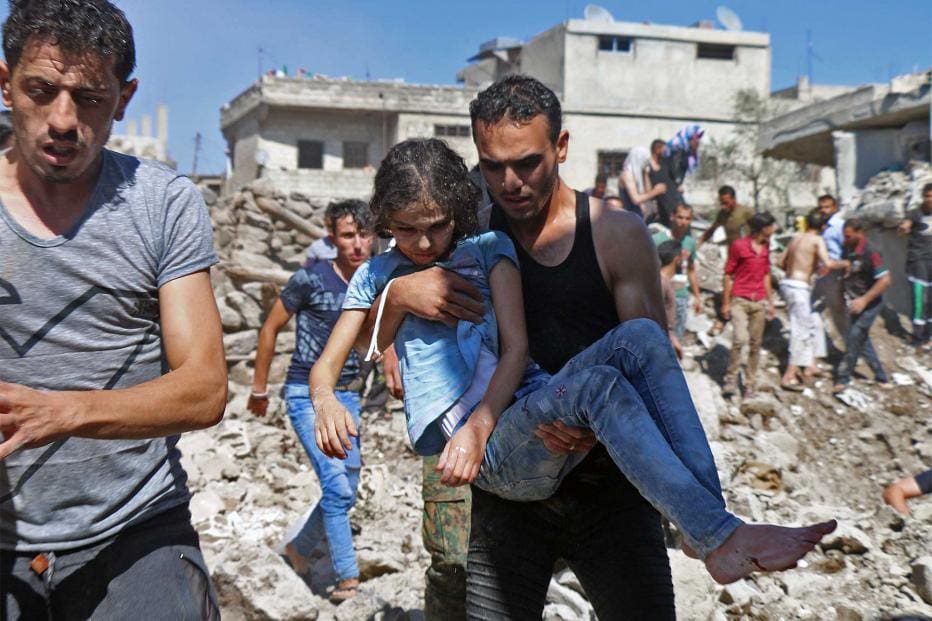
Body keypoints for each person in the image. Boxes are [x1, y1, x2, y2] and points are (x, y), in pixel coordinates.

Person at [327, 75, 830, 617]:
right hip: (509, 490)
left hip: (609, 489)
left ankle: (708, 525)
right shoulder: (460, 231)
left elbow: (648, 370)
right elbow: (363, 345)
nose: (510, 182)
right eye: (493, 166)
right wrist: (400, 297)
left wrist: (586, 420)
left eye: (527, 163)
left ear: (561, 147)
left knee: (636, 343)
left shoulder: (614, 233)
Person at [0, 1, 227, 617]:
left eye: (90, 98)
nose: (64, 120)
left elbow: (204, 389)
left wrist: (63, 412)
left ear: (124, 98)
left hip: (135, 528)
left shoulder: (161, 204)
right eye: (41, 91)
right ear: (5, 83)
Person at [247, 200, 374, 602]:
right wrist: (259, 389)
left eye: (363, 234)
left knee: (347, 488)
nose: (357, 244)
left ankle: (298, 550)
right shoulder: (311, 279)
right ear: (331, 236)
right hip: (307, 396)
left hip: (349, 397)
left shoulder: (377, 281)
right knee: (337, 490)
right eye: (347, 235)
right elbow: (270, 329)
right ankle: (348, 580)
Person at [776, 210, 847, 390]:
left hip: (788, 284)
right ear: (823, 227)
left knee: (814, 320)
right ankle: (789, 375)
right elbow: (829, 263)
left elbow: (780, 262)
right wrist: (846, 264)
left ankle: (811, 364)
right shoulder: (817, 240)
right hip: (799, 288)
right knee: (801, 330)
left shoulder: (796, 237)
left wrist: (804, 266)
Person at [722, 212, 778, 397]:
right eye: (771, 226)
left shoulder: (766, 247)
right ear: (763, 228)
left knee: (756, 344)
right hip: (740, 299)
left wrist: (770, 303)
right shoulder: (739, 246)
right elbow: (728, 274)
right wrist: (726, 303)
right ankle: (731, 378)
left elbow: (766, 275)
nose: (774, 229)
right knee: (739, 338)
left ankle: (750, 383)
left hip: (759, 301)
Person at [833, 218, 891, 393]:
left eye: (849, 236)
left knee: (855, 335)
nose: (846, 239)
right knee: (862, 339)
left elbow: (885, 280)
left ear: (860, 233)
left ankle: (843, 378)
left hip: (870, 303)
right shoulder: (847, 249)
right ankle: (881, 376)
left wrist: (864, 300)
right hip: (853, 301)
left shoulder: (871, 251)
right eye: (845, 236)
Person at [652, 203, 703, 342]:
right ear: (672, 217)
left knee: (676, 338)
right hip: (660, 296)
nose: (683, 222)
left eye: (687, 218)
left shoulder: (689, 243)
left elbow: (691, 270)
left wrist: (697, 296)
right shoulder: (657, 240)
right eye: (680, 217)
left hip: (681, 295)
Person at [898, 183, 932, 347]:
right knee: (919, 300)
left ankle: (929, 335)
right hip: (918, 262)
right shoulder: (915, 214)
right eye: (927, 196)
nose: (930, 200)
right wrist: (904, 227)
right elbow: (904, 225)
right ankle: (918, 337)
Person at [618, 145, 666, 218]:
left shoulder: (638, 174)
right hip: (628, 215)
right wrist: (656, 191)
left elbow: (647, 192)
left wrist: (645, 173)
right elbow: (636, 199)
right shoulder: (627, 175)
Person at [657, 240, 685, 358]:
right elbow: (656, 315)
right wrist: (672, 338)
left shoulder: (663, 281)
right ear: (677, 259)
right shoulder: (661, 283)